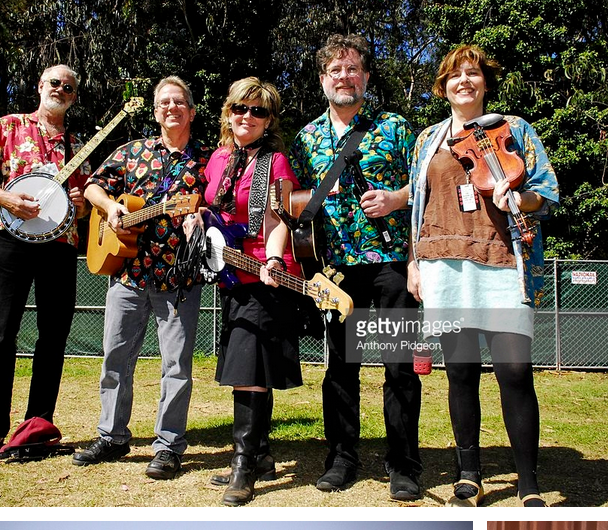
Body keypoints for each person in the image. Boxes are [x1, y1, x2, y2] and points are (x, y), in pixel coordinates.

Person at [407, 44, 559, 507]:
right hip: (444, 264)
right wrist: (415, 262)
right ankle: (468, 474)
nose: (464, 82)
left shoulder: (514, 130)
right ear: (443, 87)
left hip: (502, 265)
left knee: (515, 372)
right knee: (461, 373)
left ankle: (528, 481)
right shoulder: (428, 139)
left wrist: (518, 197)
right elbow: (418, 203)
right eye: (455, 75)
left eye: (472, 74)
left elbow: (546, 192)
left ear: (485, 83)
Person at [289, 34, 422, 500]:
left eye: (352, 69)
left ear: (365, 76)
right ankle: (342, 456)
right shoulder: (306, 138)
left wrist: (395, 199)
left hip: (391, 264)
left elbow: (423, 191)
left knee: (398, 366)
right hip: (336, 270)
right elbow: (297, 204)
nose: (344, 77)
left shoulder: (395, 127)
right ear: (323, 80)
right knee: (342, 366)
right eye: (334, 71)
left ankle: (403, 462)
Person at [71, 76, 210, 480]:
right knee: (115, 360)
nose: (172, 107)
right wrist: (111, 207)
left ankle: (168, 446)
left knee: (176, 367)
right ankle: (113, 436)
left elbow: (219, 205)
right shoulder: (131, 152)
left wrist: (202, 217)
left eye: (179, 101)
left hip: (179, 279)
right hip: (127, 276)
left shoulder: (209, 157)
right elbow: (94, 185)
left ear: (191, 111)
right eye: (164, 102)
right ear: (154, 111)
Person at [0, 65, 91, 458]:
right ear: (40, 86)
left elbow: (85, 202)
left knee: (53, 338)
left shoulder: (78, 144)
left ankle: (37, 424)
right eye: (55, 83)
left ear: (73, 96)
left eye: (69, 87)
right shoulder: (10, 125)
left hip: (60, 245)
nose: (62, 89)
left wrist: (82, 207)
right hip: (10, 239)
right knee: (1, 333)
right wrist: (6, 199)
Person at [186, 77, 303, 506]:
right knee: (251, 368)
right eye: (240, 108)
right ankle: (263, 455)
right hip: (230, 274)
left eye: (258, 111)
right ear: (227, 111)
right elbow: (211, 208)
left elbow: (278, 221)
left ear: (269, 120)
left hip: (266, 274)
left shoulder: (276, 163)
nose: (246, 117)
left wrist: (273, 259)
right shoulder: (218, 159)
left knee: (249, 371)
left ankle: (243, 464)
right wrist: (198, 221)